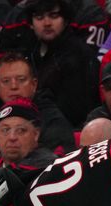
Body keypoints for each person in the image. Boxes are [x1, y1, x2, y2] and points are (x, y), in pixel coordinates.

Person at [0, 51, 76, 164]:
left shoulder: (53, 121)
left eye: (21, 80)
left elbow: (58, 165)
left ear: (34, 84)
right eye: (6, 81)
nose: (13, 86)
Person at [24, 0, 102, 128]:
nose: (47, 23)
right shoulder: (32, 51)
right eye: (39, 17)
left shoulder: (78, 55)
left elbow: (76, 111)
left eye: (54, 16)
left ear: (65, 20)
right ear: (31, 24)